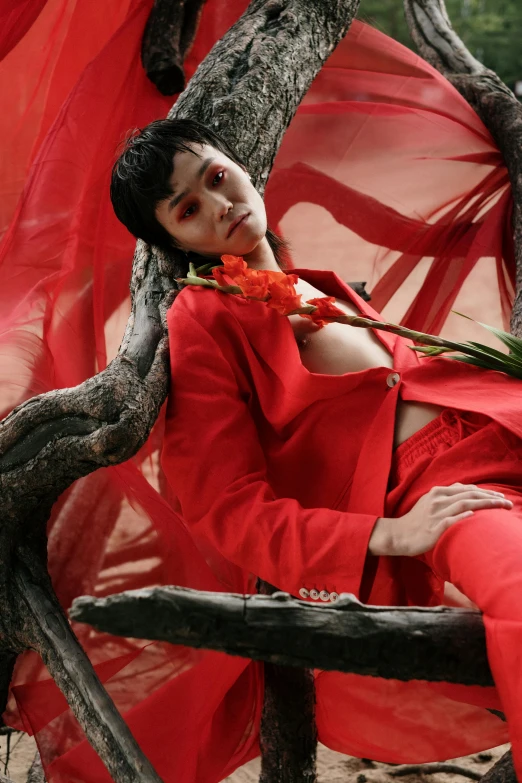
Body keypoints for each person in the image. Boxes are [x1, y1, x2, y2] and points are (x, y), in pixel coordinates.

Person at [111, 116, 522, 777]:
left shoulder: (320, 285)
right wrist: (384, 535)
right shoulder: (204, 318)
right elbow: (226, 506)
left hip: (503, 427)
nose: (220, 204)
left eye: (218, 177)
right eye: (190, 207)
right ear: (172, 239)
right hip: (459, 495)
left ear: (242, 167)